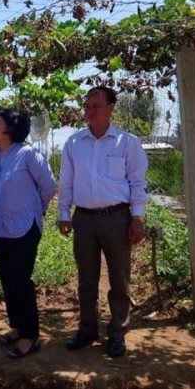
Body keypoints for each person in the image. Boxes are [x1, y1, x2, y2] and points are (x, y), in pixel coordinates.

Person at [58, 85, 148, 358]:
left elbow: (137, 181)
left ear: (111, 109)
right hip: (84, 219)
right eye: (87, 106)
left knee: (119, 279)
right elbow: (67, 181)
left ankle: (118, 332)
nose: (90, 111)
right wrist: (64, 213)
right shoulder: (74, 143)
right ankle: (87, 330)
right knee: (86, 279)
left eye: (96, 105)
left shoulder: (127, 143)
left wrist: (137, 217)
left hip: (117, 218)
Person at [0, 108, 56, 359]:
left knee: (21, 280)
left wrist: (38, 210)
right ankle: (17, 327)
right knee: (7, 280)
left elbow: (48, 186)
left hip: (24, 226)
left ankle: (30, 335)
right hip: (0, 227)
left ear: (11, 128)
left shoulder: (29, 155)